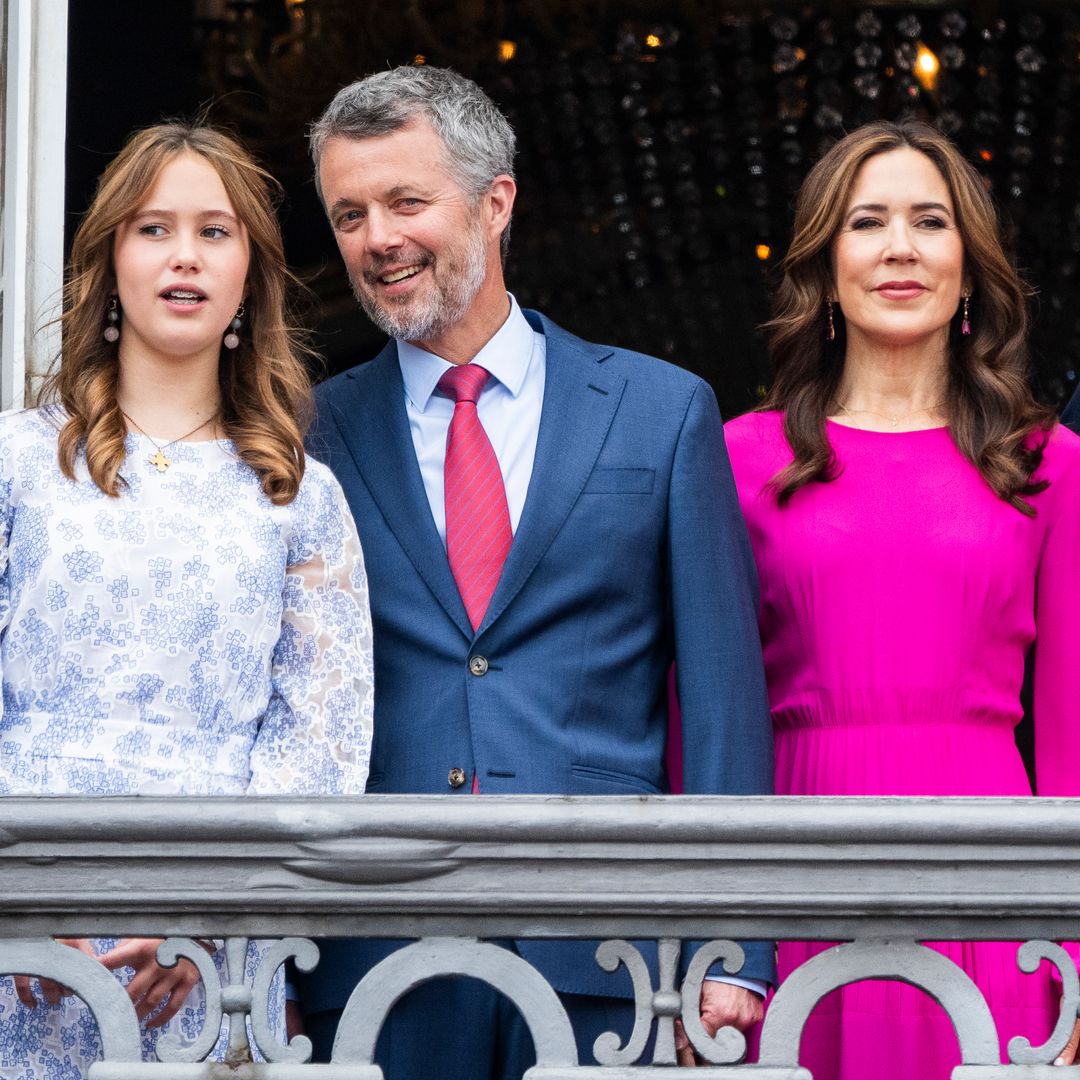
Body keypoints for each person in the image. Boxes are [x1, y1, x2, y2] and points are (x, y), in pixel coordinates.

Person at [299, 65, 774, 1077]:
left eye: (406, 201)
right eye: (349, 212)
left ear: (497, 201)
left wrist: (737, 946)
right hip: (375, 946)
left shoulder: (662, 410)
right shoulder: (311, 432)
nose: (377, 237)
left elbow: (726, 700)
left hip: (604, 945)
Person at [0, 122, 374, 1077]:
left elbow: (319, 746)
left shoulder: (300, 497)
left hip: (212, 945)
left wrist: (201, 918)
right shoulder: (17, 462)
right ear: (110, 261)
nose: (184, 255)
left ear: (250, 276)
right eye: (153, 227)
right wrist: (25, 903)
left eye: (216, 232)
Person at [724, 120, 1080, 1079]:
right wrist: (710, 930)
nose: (899, 249)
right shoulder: (741, 459)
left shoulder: (1047, 464)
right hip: (794, 865)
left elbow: (1073, 727)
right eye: (866, 222)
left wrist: (1078, 948)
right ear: (824, 265)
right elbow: (703, 709)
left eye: (929, 222)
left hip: (993, 871)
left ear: (970, 267)